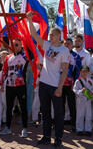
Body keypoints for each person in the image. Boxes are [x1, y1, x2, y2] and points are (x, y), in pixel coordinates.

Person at [27, 11, 70, 148]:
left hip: (55, 85)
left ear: (58, 36)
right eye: (49, 35)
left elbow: (65, 71)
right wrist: (29, 19)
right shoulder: (47, 45)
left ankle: (58, 138)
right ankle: (46, 136)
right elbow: (34, 35)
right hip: (43, 84)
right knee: (45, 112)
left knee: (58, 113)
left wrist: (60, 88)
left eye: (52, 34)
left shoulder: (64, 50)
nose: (50, 36)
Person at [0, 38, 30, 138]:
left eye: (17, 45)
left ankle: (24, 128)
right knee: (9, 107)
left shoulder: (25, 56)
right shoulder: (8, 57)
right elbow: (4, 71)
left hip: (21, 85)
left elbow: (32, 54)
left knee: (23, 107)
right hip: (9, 85)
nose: (14, 47)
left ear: (21, 45)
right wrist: (1, 83)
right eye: (13, 45)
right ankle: (7, 127)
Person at [63, 38, 81, 132]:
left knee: (71, 105)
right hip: (61, 84)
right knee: (60, 105)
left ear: (72, 45)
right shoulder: (59, 54)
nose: (66, 45)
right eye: (65, 43)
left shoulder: (76, 56)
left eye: (68, 44)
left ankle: (74, 124)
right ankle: (60, 123)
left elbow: (78, 71)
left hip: (71, 84)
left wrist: (74, 83)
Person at [73, 66, 93, 136]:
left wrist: (91, 92)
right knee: (80, 115)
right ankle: (79, 129)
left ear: (88, 73)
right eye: (83, 71)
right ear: (80, 72)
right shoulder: (78, 81)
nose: (84, 73)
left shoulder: (90, 80)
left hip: (88, 100)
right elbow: (75, 90)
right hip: (80, 100)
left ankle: (88, 130)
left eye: (86, 71)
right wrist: (81, 91)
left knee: (88, 115)